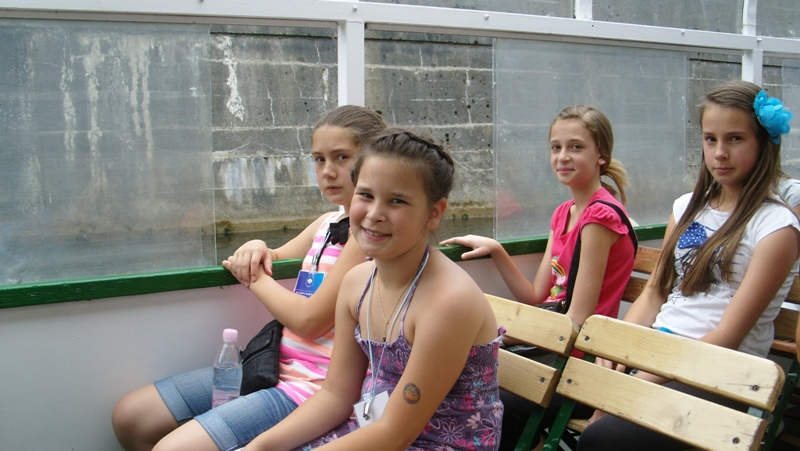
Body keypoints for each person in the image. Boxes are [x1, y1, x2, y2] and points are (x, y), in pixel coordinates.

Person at [111, 105, 388, 451]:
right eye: (319, 159)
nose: (327, 171)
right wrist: (257, 246)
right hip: (270, 363)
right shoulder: (326, 224)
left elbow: (310, 321)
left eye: (341, 157)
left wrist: (254, 279)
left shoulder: (368, 237)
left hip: (311, 388)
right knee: (133, 416)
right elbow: (275, 255)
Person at [242, 128, 503, 451]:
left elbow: (395, 434)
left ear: (433, 213)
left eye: (397, 201)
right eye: (365, 195)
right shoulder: (357, 283)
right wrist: (260, 447)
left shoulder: (448, 302)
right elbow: (336, 396)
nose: (374, 214)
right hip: (372, 429)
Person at [577, 80, 800, 450]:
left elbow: (728, 337)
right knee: (549, 400)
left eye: (735, 139)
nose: (720, 153)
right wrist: (617, 350)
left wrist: (634, 383)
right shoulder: (686, 207)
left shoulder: (777, 228)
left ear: (764, 143)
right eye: (711, 139)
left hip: (723, 375)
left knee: (603, 439)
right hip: (661, 357)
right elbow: (655, 290)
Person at [440, 105, 637, 450]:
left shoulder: (599, 217)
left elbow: (577, 319)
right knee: (464, 383)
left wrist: (507, 335)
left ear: (601, 155)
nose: (563, 156)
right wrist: (497, 250)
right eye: (556, 147)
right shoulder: (563, 214)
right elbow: (535, 295)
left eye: (576, 147)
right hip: (553, 347)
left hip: (579, 360)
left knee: (490, 402)